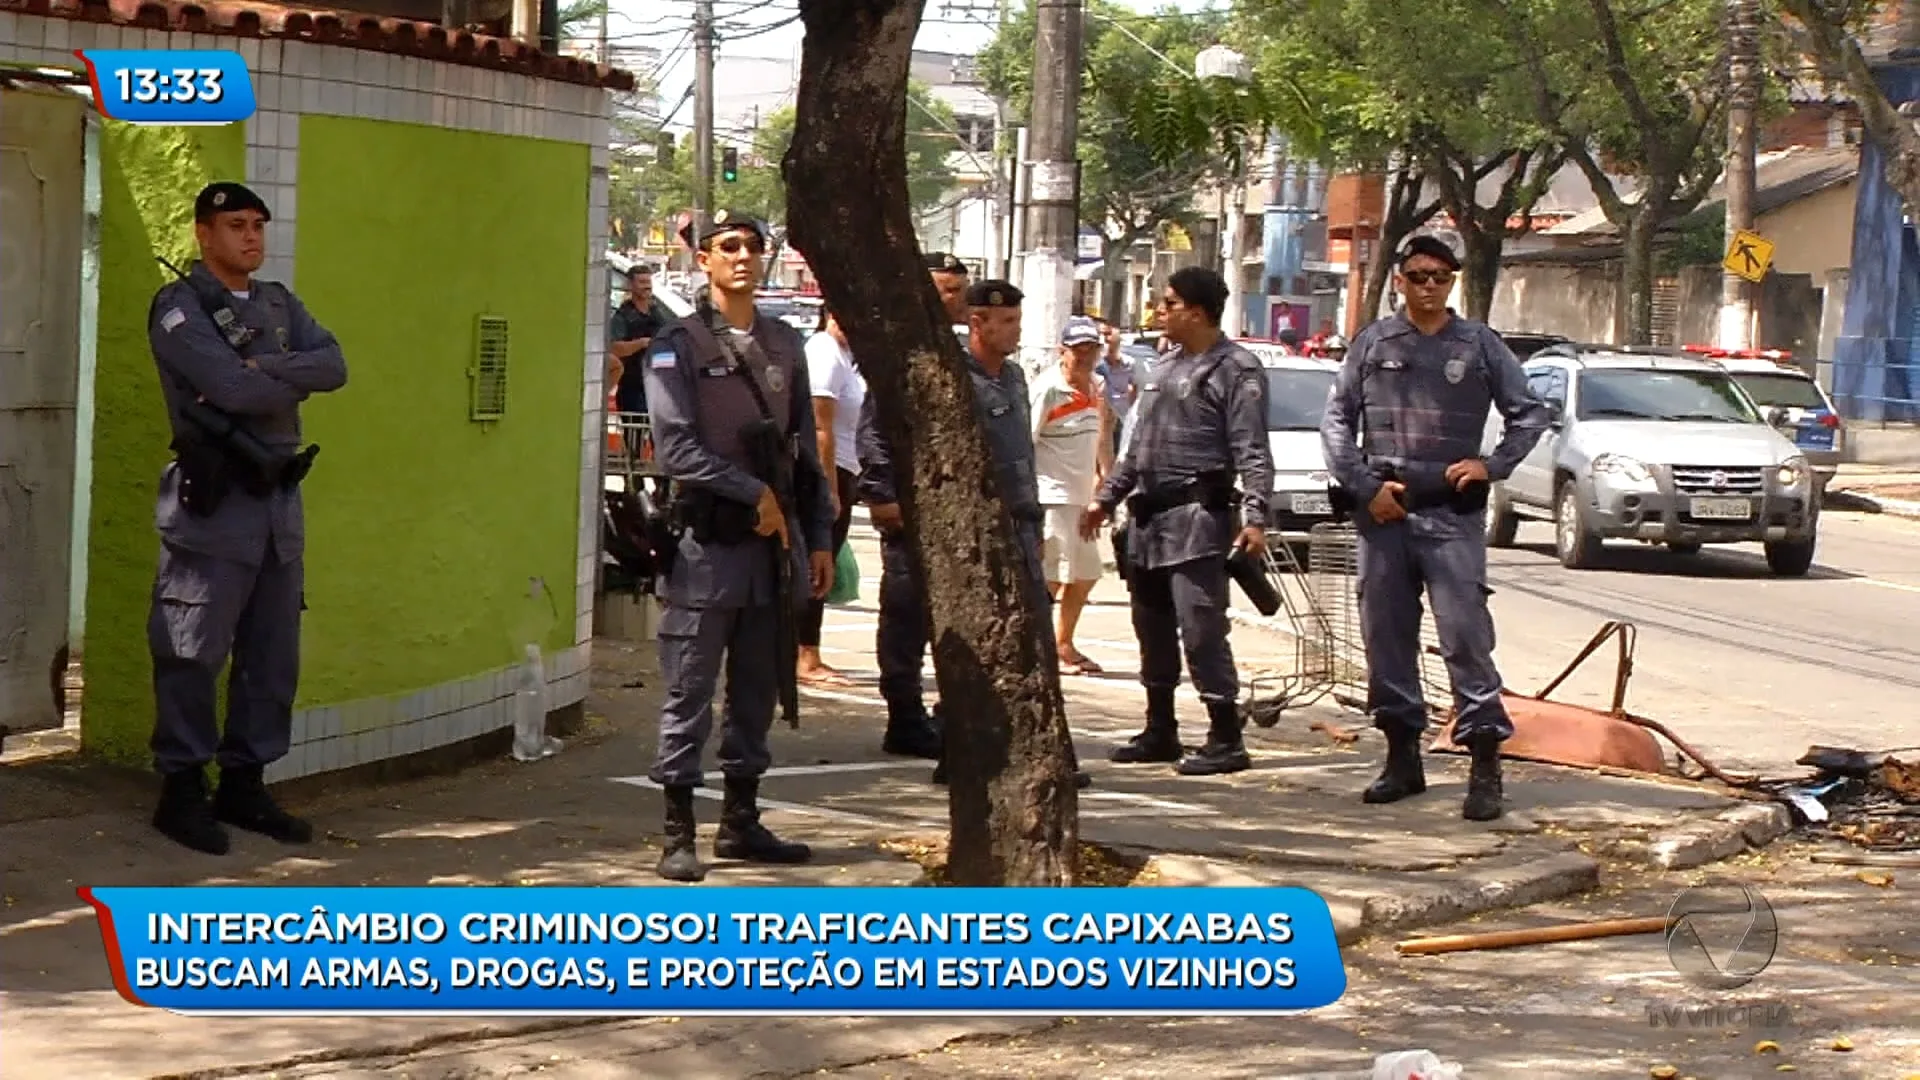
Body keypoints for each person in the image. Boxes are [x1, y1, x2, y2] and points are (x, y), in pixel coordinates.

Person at [145, 181, 348, 854]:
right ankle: (181, 787)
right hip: (215, 501)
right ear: (205, 235)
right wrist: (284, 377)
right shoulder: (179, 307)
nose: (251, 236)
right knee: (191, 648)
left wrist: (263, 364)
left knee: (270, 655)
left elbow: (336, 366)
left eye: (257, 224)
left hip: (277, 506)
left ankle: (244, 782)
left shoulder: (277, 304)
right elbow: (227, 392)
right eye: (236, 225)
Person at [1319, 234, 1550, 822]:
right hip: (1385, 514)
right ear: (1399, 279)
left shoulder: (1479, 345)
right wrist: (1365, 489)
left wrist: (1492, 466)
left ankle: (1483, 765)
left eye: (1441, 277)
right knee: (1386, 637)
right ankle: (1402, 759)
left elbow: (1529, 414)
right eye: (1418, 275)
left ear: (1452, 283)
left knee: (1465, 636)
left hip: (1451, 514)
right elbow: (1337, 422)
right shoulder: (1372, 344)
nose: (1428, 286)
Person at [641, 209, 836, 882]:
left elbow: (803, 450)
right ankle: (677, 830)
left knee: (756, 692)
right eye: (729, 247)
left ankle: (741, 823)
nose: (744, 257)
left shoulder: (785, 343)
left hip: (772, 552)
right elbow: (676, 449)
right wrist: (752, 495)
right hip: (707, 547)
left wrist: (814, 536)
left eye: (755, 246)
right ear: (705, 260)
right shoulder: (679, 346)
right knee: (690, 692)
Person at [858, 273, 1091, 789]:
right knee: (936, 631)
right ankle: (942, 737)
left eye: (1017, 321)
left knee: (1030, 635)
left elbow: (1020, 454)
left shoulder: (1011, 378)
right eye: (1004, 322)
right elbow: (879, 432)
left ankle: (1046, 747)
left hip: (1019, 524)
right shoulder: (944, 375)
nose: (1013, 331)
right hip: (962, 529)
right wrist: (884, 495)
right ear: (976, 321)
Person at [1080, 266, 1274, 777]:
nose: (1160, 311)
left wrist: (1255, 516)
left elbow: (1252, 451)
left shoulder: (1235, 369)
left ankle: (1225, 736)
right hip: (1148, 522)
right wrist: (1106, 499)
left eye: (1169, 303)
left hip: (1198, 522)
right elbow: (1136, 447)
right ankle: (1159, 729)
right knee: (1152, 629)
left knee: (1202, 629)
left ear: (1198, 309)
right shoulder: (1162, 369)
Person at [853, 252, 973, 762]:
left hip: (955, 512)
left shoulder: (957, 354)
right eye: (947, 290)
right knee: (904, 616)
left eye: (959, 289)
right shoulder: (898, 355)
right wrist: (882, 494)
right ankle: (904, 714)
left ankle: (949, 714)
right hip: (908, 508)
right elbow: (875, 430)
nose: (957, 300)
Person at [1032, 316, 1112, 675]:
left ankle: (1063, 643)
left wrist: (1105, 481)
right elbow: (1025, 442)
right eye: (1077, 350)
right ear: (1061, 351)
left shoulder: (1097, 386)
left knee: (1085, 575)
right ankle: (1036, 649)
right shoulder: (1047, 388)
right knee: (1052, 575)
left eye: (1090, 349)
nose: (1084, 356)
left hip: (1084, 498)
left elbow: (1103, 437)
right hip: (1053, 495)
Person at [797, 307, 864, 687]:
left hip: (845, 468)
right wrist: (829, 489)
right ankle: (805, 654)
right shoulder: (824, 351)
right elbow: (820, 425)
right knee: (817, 563)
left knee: (823, 564)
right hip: (829, 472)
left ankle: (807, 650)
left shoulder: (845, 356)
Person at [608, 263, 671, 415]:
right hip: (633, 387)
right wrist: (642, 343)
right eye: (642, 282)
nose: (647, 287)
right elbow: (614, 348)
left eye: (648, 282)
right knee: (635, 437)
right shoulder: (623, 316)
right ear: (631, 285)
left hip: (659, 386)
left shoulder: (658, 313)